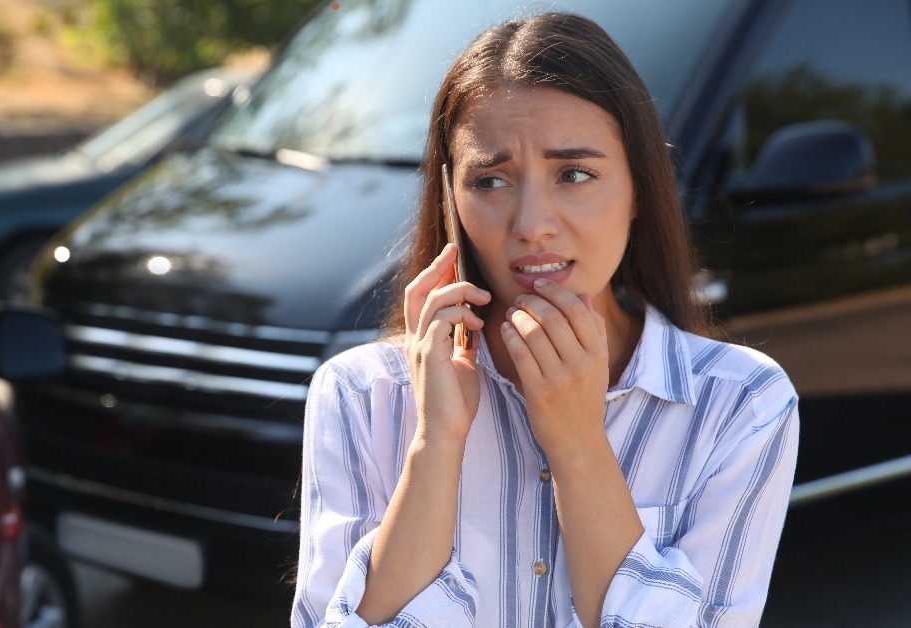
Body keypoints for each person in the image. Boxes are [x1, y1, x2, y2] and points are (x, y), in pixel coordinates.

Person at [290, 11, 798, 628]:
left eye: (575, 174)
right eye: (492, 179)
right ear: (450, 198)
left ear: (640, 188)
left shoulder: (742, 402)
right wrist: (433, 447)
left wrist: (579, 446)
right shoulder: (360, 393)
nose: (532, 223)